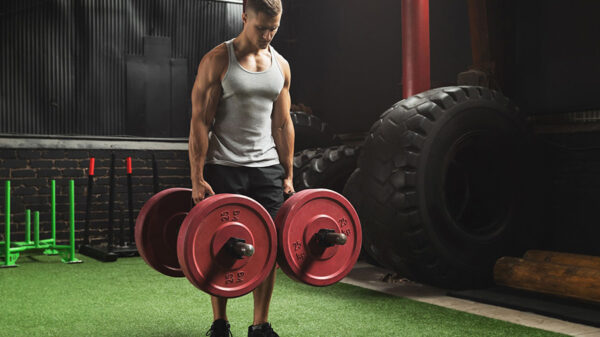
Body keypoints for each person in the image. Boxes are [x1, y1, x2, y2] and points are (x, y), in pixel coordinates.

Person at [188, 0, 293, 336]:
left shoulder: (281, 66)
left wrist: (288, 172)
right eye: (260, 27)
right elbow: (200, 123)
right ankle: (220, 323)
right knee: (221, 246)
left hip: (266, 169)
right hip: (224, 166)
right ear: (244, 17)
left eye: (273, 29)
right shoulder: (219, 60)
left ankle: (260, 325)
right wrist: (197, 177)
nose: (266, 35)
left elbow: (283, 124)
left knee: (270, 247)